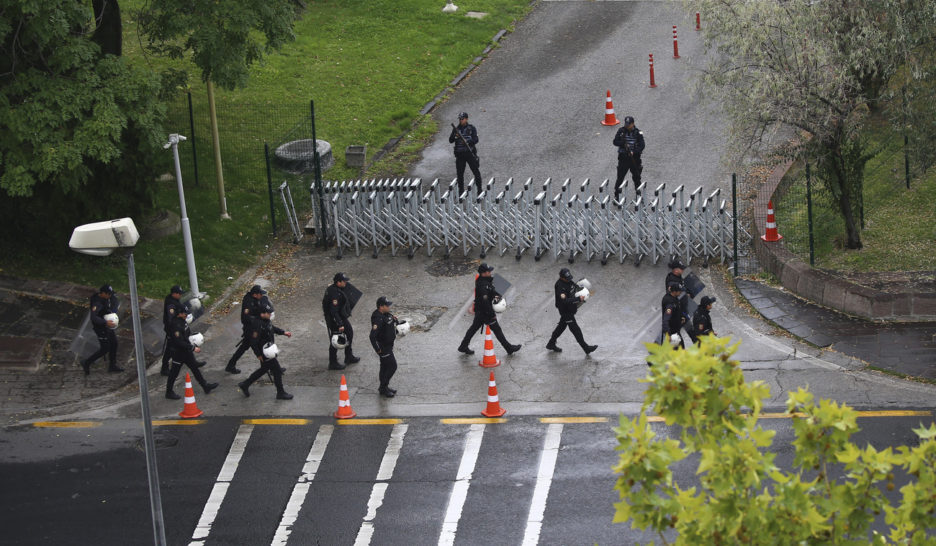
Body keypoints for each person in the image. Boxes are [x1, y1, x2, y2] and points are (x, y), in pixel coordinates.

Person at [457, 263, 521, 355]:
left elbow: (490, 291)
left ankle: (463, 346)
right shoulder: (483, 285)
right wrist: (491, 315)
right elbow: (485, 302)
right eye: (488, 271)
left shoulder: (484, 281)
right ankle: (509, 348)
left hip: (480, 311)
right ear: (484, 273)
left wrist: (497, 295)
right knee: (497, 330)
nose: (490, 272)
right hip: (485, 312)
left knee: (473, 329)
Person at [238, 300, 293, 400]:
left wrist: (283, 332)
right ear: (262, 314)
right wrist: (258, 355)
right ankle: (280, 393)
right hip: (265, 352)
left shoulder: (266, 321)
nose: (270, 314)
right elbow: (253, 342)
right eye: (269, 313)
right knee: (276, 370)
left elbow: (272, 328)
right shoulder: (257, 325)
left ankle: (245, 384)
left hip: (268, 350)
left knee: (263, 370)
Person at [165, 305, 218, 400]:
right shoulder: (175, 325)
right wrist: (192, 347)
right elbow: (178, 341)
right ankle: (169, 392)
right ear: (180, 314)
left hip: (186, 351)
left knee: (195, 368)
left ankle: (205, 386)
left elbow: (186, 334)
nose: (186, 315)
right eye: (185, 314)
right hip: (178, 353)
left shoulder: (182, 322)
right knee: (174, 373)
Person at [546, 268, 598, 355]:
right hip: (565, 310)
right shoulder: (560, 286)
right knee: (575, 329)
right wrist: (578, 299)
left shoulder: (569, 281)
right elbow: (564, 301)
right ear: (562, 277)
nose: (569, 279)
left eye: (569, 278)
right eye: (567, 278)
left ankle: (551, 343)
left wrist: (583, 289)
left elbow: (575, 287)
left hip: (570, 309)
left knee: (561, 327)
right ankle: (586, 348)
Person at [81, 285, 123, 375]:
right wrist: (105, 323)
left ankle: (112, 365)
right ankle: (87, 362)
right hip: (101, 327)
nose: (110, 296)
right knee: (105, 348)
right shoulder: (97, 303)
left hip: (107, 324)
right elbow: (93, 317)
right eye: (108, 294)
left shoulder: (107, 297)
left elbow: (115, 300)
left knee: (114, 343)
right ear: (103, 293)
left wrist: (113, 311)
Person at [322, 272, 360, 370]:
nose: (346, 283)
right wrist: (340, 324)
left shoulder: (334, 288)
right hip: (335, 319)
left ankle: (348, 356)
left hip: (339, 316)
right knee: (335, 340)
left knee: (349, 333)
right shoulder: (334, 294)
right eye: (344, 281)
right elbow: (333, 311)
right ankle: (333, 362)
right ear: (338, 282)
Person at [225, 284, 265, 374]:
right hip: (250, 329)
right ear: (255, 294)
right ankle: (268, 367)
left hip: (252, 328)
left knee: (244, 347)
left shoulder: (254, 299)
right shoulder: (248, 302)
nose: (261, 296)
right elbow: (246, 318)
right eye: (260, 294)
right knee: (258, 346)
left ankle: (230, 365)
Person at [369, 296, 400, 398]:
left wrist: (394, 320)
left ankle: (383, 387)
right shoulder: (378, 319)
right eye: (387, 305)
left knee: (384, 367)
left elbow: (389, 321)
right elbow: (372, 336)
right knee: (392, 366)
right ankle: (383, 387)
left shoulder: (385, 314)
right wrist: (378, 349)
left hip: (388, 345)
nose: (389, 307)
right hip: (384, 347)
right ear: (381, 307)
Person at [612, 115, 645, 202]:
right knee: (620, 178)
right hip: (623, 158)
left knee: (637, 178)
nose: (627, 126)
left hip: (634, 159)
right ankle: (617, 196)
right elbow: (615, 142)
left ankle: (638, 196)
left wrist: (634, 151)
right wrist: (623, 144)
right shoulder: (621, 131)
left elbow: (642, 145)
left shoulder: (638, 133)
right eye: (626, 124)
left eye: (629, 124)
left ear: (633, 124)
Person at [449, 112, 482, 197]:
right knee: (460, 174)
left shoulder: (471, 128)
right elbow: (450, 140)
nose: (461, 120)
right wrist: (455, 136)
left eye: (462, 119)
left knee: (476, 172)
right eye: (460, 119)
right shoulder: (456, 129)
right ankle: (461, 191)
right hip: (460, 155)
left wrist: (468, 141)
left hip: (469, 153)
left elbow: (476, 139)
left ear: (466, 119)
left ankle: (479, 190)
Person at [160, 285, 184, 376]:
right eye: (179, 294)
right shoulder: (170, 304)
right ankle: (164, 368)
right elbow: (171, 318)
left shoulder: (174, 300)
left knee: (183, 342)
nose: (180, 295)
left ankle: (188, 360)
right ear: (174, 294)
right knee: (170, 349)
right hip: (172, 329)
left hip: (176, 327)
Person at [661, 282, 686, 349]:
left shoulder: (674, 298)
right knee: (678, 352)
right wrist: (668, 334)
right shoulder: (670, 302)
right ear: (674, 291)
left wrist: (681, 317)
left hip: (676, 331)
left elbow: (676, 310)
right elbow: (666, 319)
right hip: (672, 333)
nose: (681, 292)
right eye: (679, 291)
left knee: (679, 350)